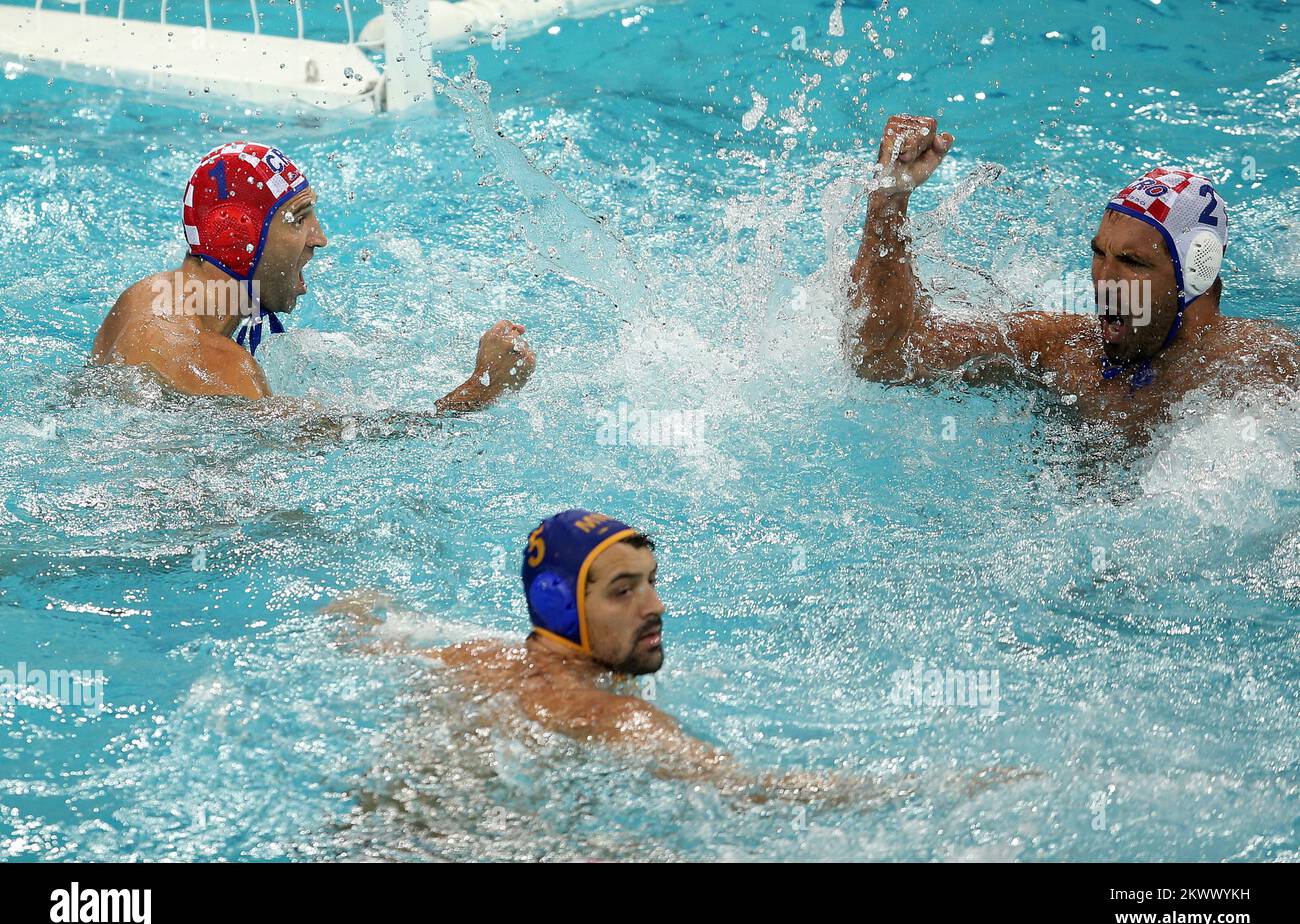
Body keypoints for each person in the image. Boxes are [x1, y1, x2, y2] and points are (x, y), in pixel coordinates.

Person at [330, 509, 916, 805]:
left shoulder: (471, 657)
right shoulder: (608, 715)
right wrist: (932, 790)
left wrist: (355, 609)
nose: (654, 606)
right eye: (623, 590)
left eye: (651, 581)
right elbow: (748, 791)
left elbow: (355, 637)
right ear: (560, 605)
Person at [847, 115, 1300, 434]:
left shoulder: (1263, 369)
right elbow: (884, 359)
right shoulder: (1062, 350)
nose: (1105, 280)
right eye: (1099, 254)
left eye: (1133, 262)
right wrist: (888, 201)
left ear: (1196, 274)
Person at [91, 141, 533, 412]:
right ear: (239, 235)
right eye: (298, 218)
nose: (319, 238)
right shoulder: (222, 370)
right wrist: (480, 389)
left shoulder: (144, 296)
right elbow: (359, 444)